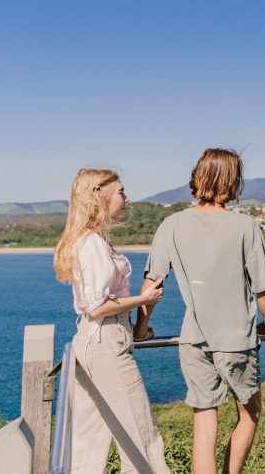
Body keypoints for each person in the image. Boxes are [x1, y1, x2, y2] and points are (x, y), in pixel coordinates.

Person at [134, 148, 265, 474]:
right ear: (233, 181)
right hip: (236, 342)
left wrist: (140, 331)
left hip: (193, 341)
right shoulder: (245, 227)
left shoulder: (171, 225)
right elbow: (264, 291)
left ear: (198, 178)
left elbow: (151, 287)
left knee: (203, 425)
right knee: (250, 413)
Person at [53, 168, 170, 474]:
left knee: (88, 445)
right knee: (141, 438)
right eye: (120, 192)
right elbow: (96, 307)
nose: (126, 198)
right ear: (100, 197)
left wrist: (130, 326)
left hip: (96, 342)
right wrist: (143, 300)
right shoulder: (91, 244)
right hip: (105, 345)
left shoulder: (92, 240)